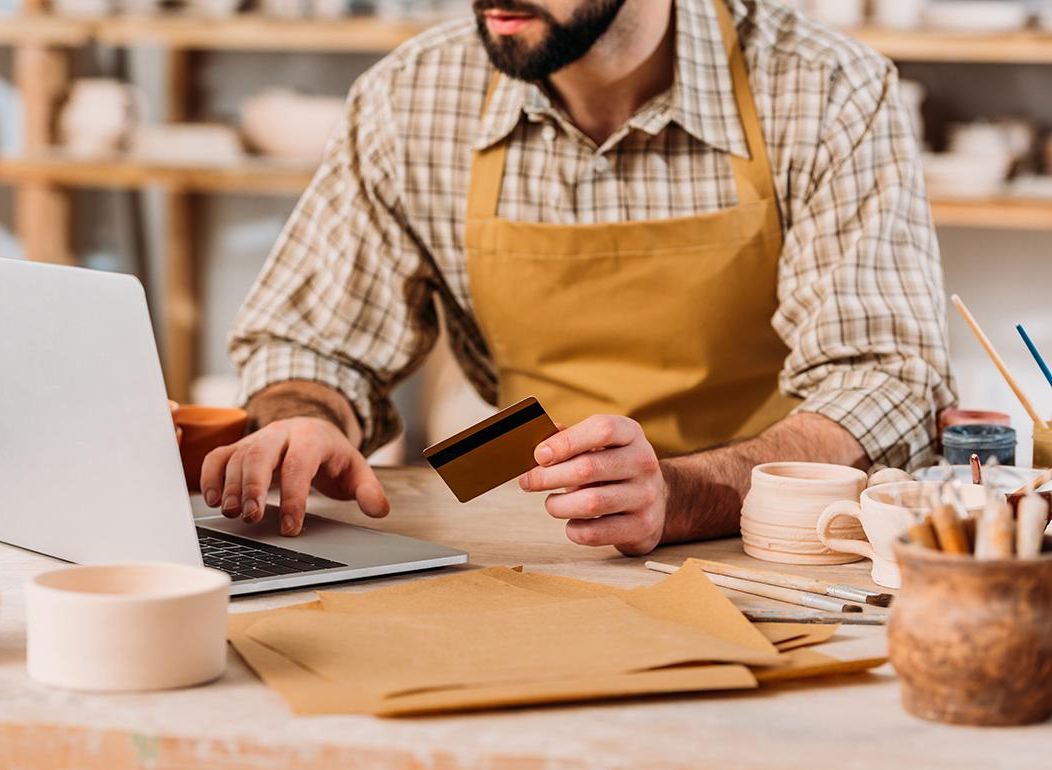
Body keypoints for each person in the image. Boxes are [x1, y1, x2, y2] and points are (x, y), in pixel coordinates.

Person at [201, 0, 955, 555]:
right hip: (534, 537)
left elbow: (886, 381)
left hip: (771, 546)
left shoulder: (825, 88)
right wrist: (305, 415)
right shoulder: (412, 97)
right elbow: (313, 345)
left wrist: (681, 494)